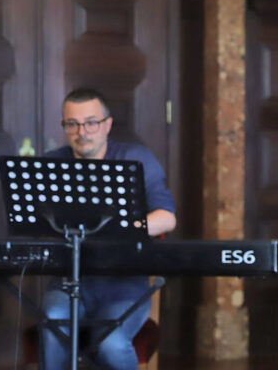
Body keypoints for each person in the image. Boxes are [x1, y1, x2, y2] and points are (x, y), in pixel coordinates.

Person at [40, 87, 176, 370]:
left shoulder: (135, 158)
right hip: (68, 283)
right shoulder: (52, 164)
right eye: (72, 124)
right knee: (53, 322)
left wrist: (119, 227)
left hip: (124, 286)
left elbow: (166, 218)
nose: (82, 132)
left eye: (91, 123)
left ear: (107, 125)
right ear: (64, 127)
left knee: (111, 343)